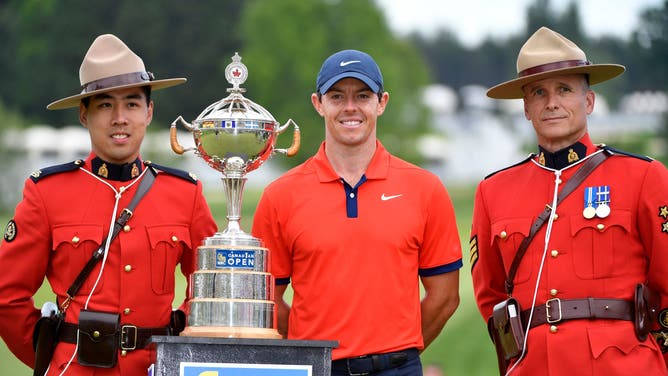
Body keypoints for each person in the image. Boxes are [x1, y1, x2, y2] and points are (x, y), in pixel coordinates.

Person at [0, 34, 217, 375]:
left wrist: (181, 344)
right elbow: (7, 296)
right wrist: (53, 354)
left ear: (149, 112)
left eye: (132, 104)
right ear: (83, 114)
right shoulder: (47, 192)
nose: (119, 117)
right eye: (104, 105)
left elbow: (211, 287)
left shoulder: (184, 193)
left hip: (157, 368)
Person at [251, 49, 463, 376]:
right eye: (337, 96)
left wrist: (398, 348)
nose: (350, 107)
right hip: (316, 368)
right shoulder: (281, 195)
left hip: (398, 368)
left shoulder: (425, 188)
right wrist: (308, 350)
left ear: (382, 102)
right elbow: (267, 302)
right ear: (318, 103)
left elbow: (445, 297)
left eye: (362, 96)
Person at [471, 26, 668, 375]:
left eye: (564, 89)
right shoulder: (493, 191)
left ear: (588, 101)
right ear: (526, 109)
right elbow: (491, 298)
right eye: (538, 93)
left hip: (624, 367)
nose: (552, 103)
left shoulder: (644, 177)